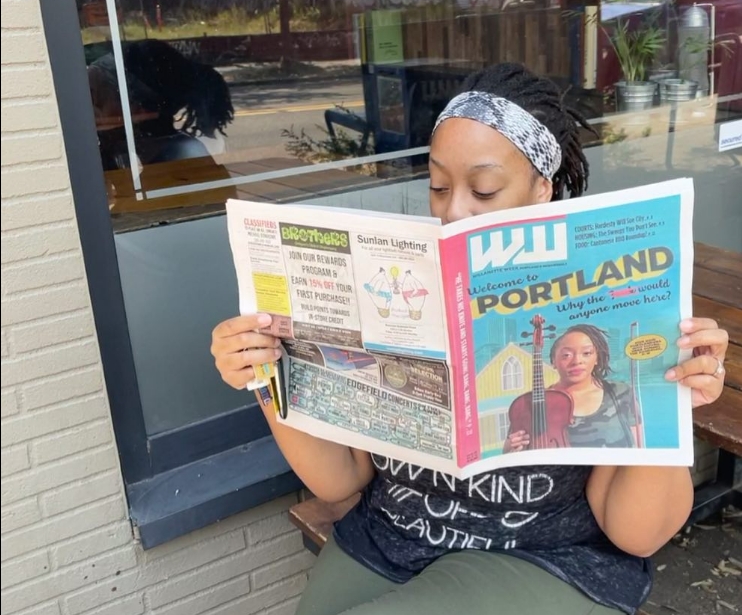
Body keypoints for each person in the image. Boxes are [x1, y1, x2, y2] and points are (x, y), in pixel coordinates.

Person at [210, 63, 729, 615]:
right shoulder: (404, 283)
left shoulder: (597, 304)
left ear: (541, 192)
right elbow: (342, 480)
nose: (453, 210)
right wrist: (265, 375)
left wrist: (669, 398)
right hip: (391, 539)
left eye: (483, 189)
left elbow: (637, 535)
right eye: (437, 185)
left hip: (546, 558)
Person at [88, 39, 234, 171]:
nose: (90, 112)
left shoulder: (183, 155)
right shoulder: (125, 152)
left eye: (97, 100)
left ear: (138, 108)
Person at [504, 324, 640, 452]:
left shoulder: (620, 392)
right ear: (553, 361)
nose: (576, 361)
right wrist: (511, 447)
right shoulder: (532, 404)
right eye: (566, 355)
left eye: (586, 353)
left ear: (597, 358)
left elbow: (639, 444)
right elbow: (510, 450)